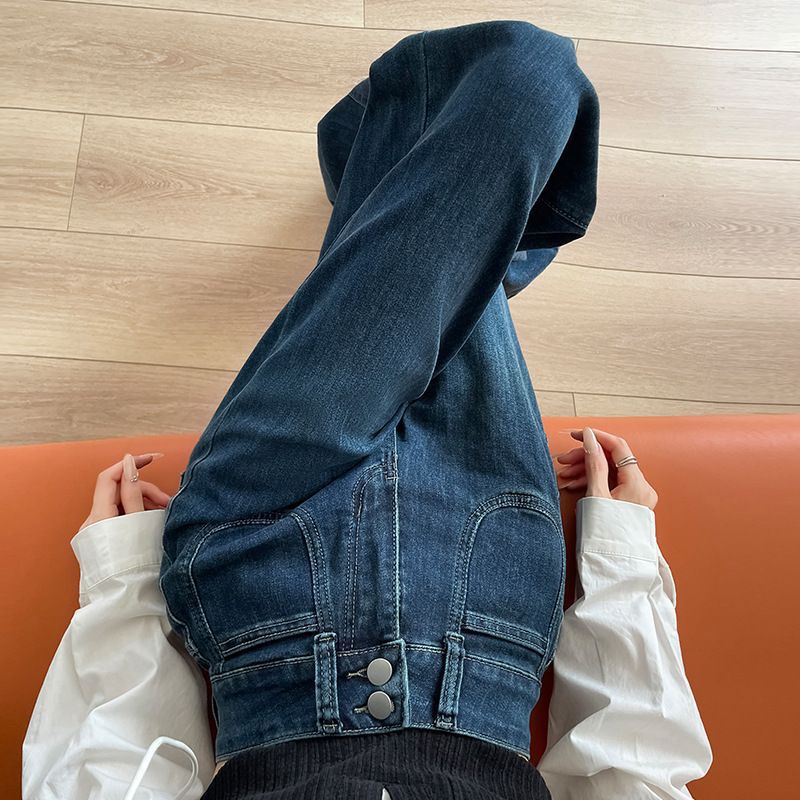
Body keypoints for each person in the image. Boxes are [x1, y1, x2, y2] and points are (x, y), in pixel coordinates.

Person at [22, 19, 712, 800]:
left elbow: (111, 776)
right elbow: (631, 771)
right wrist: (622, 557)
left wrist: (121, 578)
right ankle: (371, 156)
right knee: (524, 77)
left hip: (261, 571)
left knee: (526, 74)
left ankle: (380, 157)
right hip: (485, 595)